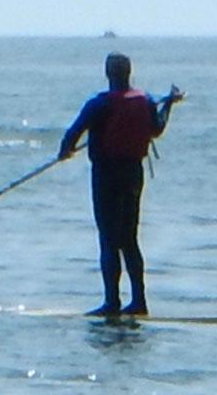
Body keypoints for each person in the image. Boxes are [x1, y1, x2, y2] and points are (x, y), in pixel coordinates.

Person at [58, 52, 183, 316]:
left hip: (107, 175)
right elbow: (157, 129)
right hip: (133, 174)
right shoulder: (146, 101)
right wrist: (168, 104)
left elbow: (73, 134)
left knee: (108, 238)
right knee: (129, 238)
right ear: (129, 73)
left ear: (108, 74)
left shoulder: (98, 104)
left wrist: (65, 152)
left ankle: (111, 302)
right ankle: (139, 301)